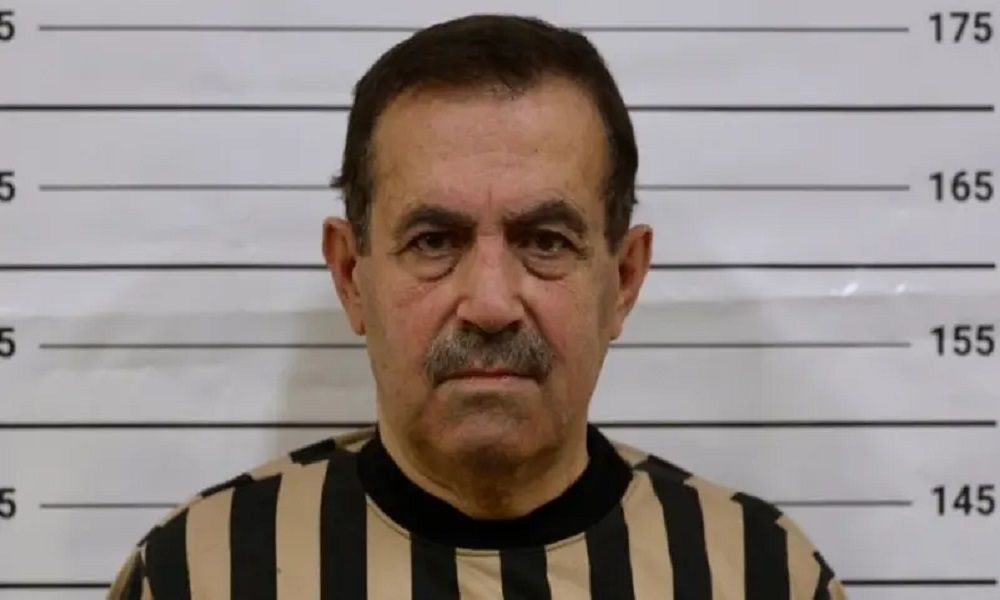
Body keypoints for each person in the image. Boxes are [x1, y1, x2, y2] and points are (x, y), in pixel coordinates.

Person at [108, 14, 847, 599]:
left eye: (546, 241)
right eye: (434, 241)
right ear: (351, 276)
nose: (490, 304)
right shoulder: (200, 576)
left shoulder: (760, 577)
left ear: (623, 280)